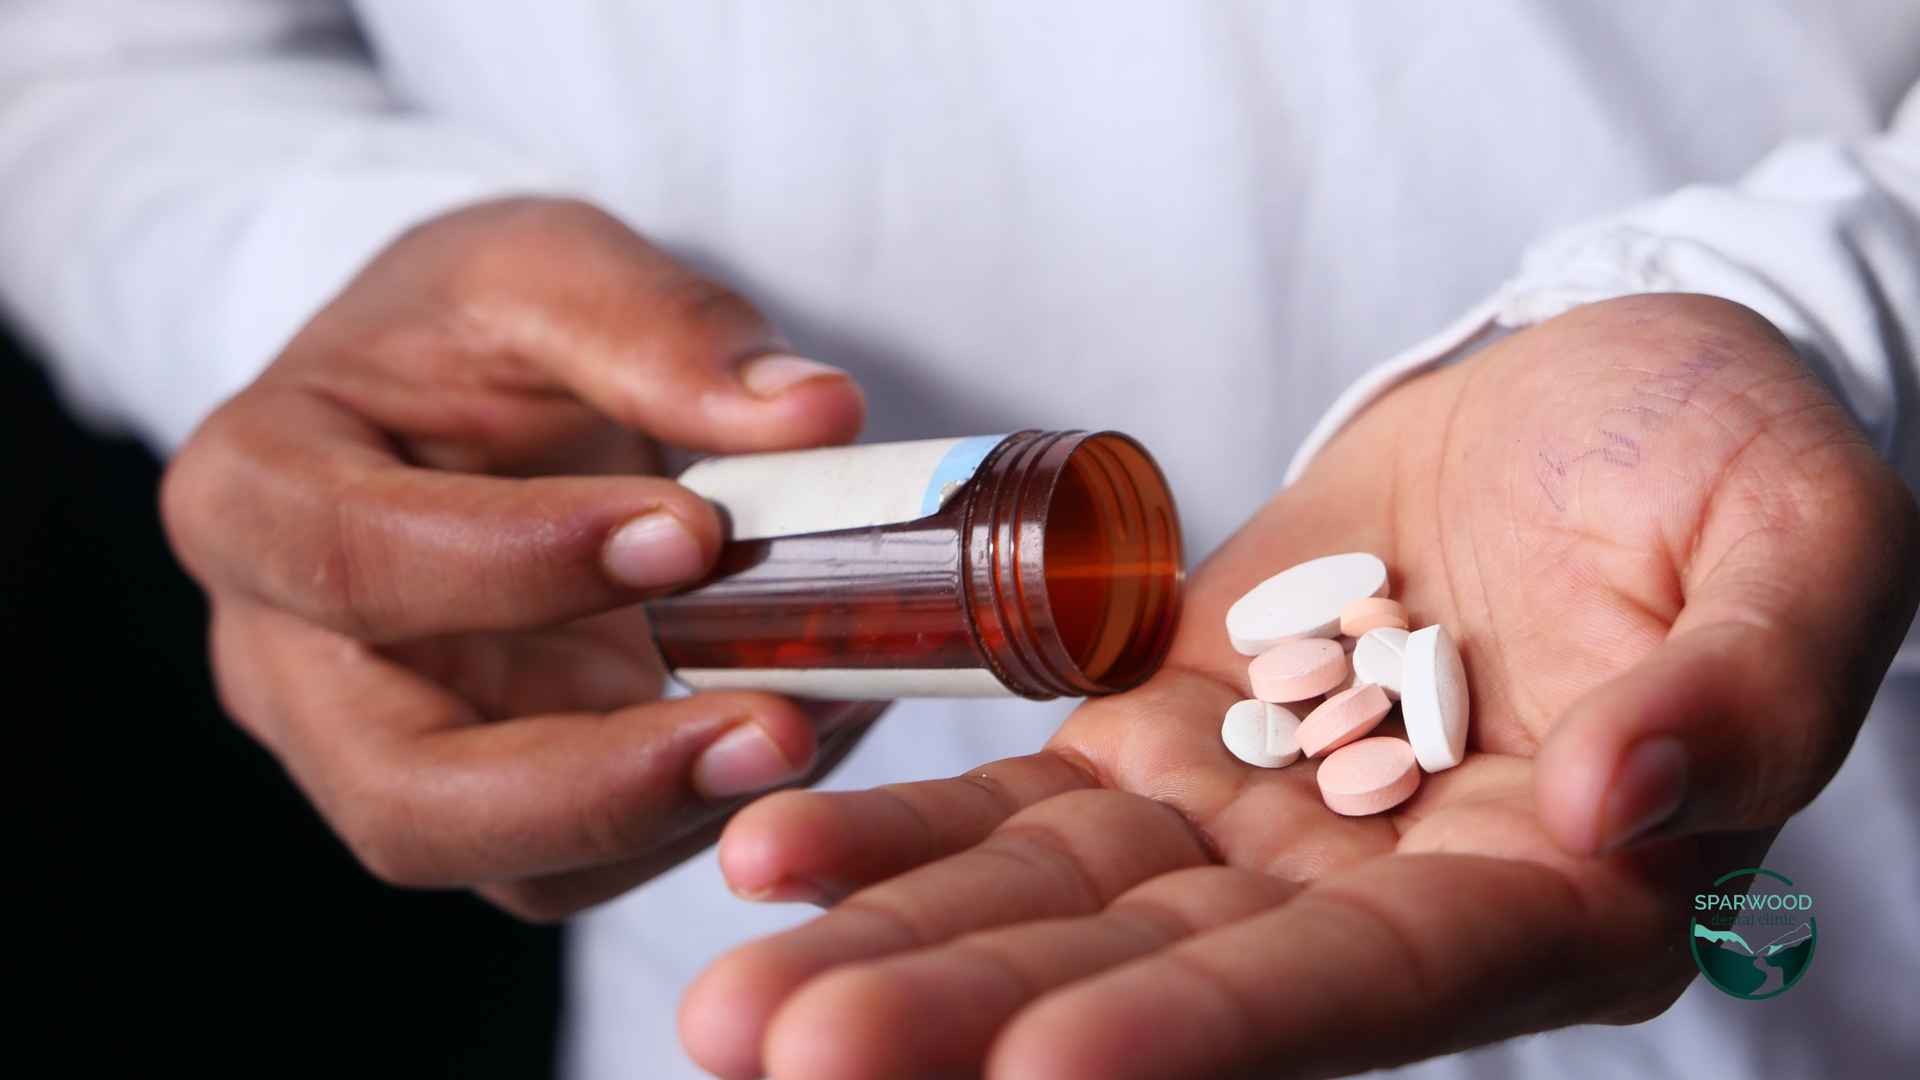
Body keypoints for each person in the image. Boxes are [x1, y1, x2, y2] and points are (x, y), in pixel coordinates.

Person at [3, 2, 1918, 1077]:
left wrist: (1820, 313)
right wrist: (319, 289)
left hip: (1813, 870)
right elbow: (89, 71)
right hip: (818, 864)